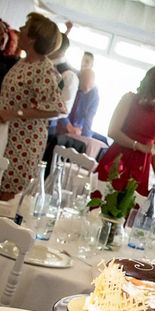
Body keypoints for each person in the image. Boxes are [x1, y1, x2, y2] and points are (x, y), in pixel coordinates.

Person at [0, 12, 66, 201]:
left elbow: (56, 108)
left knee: (6, 199)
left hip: (23, 143)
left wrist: (14, 113)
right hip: (8, 136)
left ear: (33, 38)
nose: (19, 30)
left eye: (25, 27)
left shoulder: (44, 69)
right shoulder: (24, 62)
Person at [96, 65, 155, 195]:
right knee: (103, 197)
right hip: (118, 158)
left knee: (130, 208)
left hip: (141, 167)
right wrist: (139, 146)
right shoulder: (129, 99)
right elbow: (112, 131)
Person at [57, 68, 99, 138]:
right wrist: (69, 126)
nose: (86, 89)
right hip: (60, 122)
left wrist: (85, 138)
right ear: (79, 79)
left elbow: (89, 120)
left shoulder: (94, 96)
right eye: (84, 86)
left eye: (89, 87)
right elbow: (60, 106)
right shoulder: (71, 82)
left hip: (77, 130)